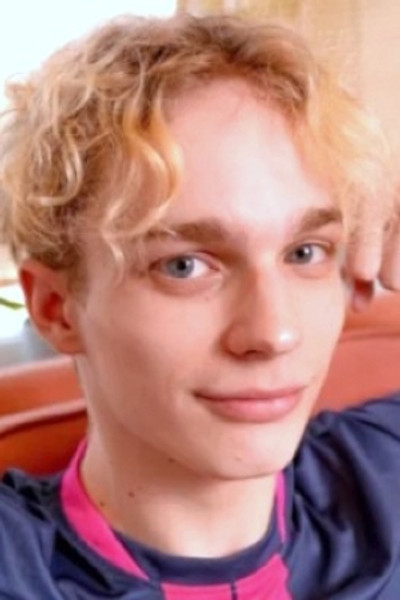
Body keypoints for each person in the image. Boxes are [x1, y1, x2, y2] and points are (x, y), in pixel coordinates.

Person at [0, 13, 399, 600]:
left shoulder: (381, 470)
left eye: (304, 252)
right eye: (184, 265)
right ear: (57, 307)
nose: (274, 332)